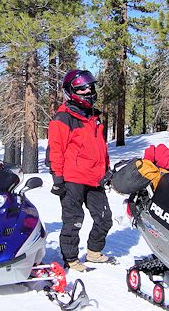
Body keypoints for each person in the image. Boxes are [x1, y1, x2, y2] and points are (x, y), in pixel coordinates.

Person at [46, 69, 113, 272]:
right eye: (83, 88)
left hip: (95, 177)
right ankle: (71, 258)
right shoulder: (63, 118)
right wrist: (57, 177)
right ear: (71, 91)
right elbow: (55, 150)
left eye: (90, 87)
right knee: (73, 220)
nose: (88, 91)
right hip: (72, 178)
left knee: (104, 218)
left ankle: (93, 251)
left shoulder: (94, 117)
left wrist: (106, 168)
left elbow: (101, 146)